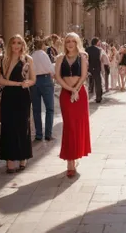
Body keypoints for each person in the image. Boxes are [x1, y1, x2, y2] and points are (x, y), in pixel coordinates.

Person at [0, 35, 36, 173]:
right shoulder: (2, 59)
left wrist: (27, 83)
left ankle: (23, 157)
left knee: (22, 125)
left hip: (23, 96)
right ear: (9, 44)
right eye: (13, 42)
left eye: (19, 43)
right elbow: (0, 80)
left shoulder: (28, 59)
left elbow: (33, 79)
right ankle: (10, 159)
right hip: (9, 95)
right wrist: (17, 83)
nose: (16, 46)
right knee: (8, 127)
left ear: (23, 44)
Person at [54, 32, 91, 177]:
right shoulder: (60, 58)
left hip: (80, 94)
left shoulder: (82, 57)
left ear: (77, 43)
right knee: (69, 126)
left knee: (78, 126)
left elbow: (83, 75)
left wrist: (76, 89)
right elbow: (57, 76)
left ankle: (75, 156)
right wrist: (70, 89)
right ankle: (70, 160)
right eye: (68, 41)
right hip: (66, 94)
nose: (70, 44)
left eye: (73, 41)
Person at [30, 38, 55, 142]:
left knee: (36, 110)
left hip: (34, 81)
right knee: (49, 108)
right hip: (45, 80)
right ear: (42, 45)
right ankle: (48, 134)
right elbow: (50, 69)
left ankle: (38, 134)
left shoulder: (31, 55)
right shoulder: (43, 54)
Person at [86, 37, 104, 102]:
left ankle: (86, 97)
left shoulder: (87, 49)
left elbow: (86, 59)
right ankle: (98, 97)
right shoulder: (99, 50)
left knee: (88, 82)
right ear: (97, 42)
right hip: (97, 68)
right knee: (98, 83)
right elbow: (101, 59)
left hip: (89, 68)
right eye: (99, 42)